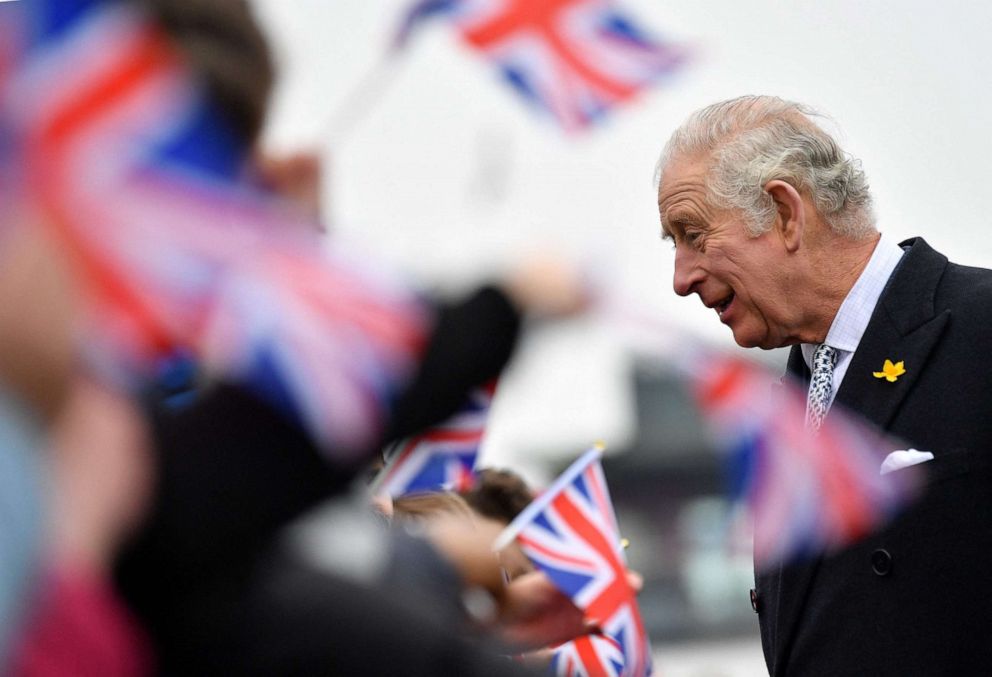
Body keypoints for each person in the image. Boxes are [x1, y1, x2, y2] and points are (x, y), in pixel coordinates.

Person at [654, 94, 992, 676]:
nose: (681, 279)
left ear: (785, 213)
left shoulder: (981, 328)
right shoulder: (783, 407)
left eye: (694, 234)